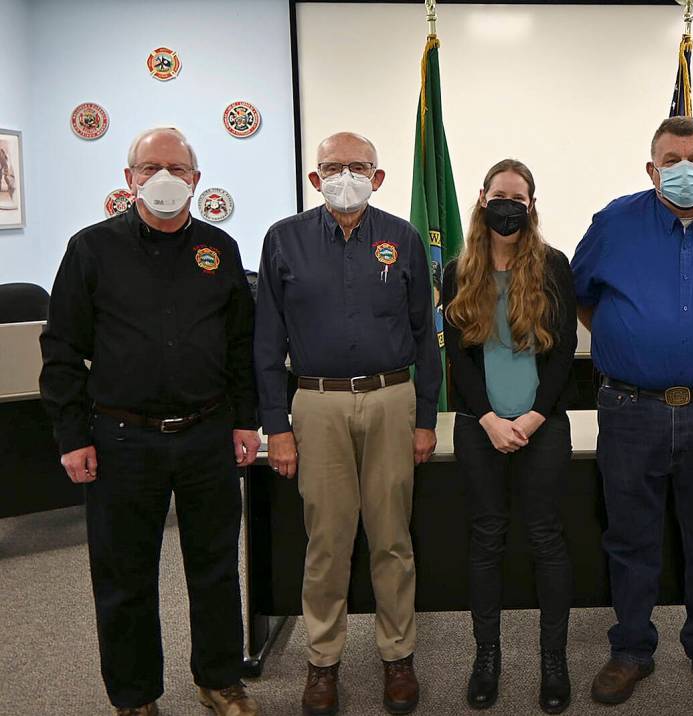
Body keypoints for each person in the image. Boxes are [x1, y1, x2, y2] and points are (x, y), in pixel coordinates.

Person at [39, 127, 261, 716]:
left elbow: (240, 343)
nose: (164, 178)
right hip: (120, 438)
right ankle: (134, 696)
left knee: (215, 567)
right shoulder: (91, 249)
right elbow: (61, 349)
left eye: (177, 168)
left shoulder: (220, 249)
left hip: (207, 432)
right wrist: (71, 436)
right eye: (150, 167)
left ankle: (220, 679)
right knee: (124, 574)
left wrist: (246, 420)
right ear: (129, 178)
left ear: (196, 179)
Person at [571, 116, 693, 712]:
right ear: (652, 168)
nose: (685, 169)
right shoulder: (613, 223)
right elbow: (583, 299)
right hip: (630, 408)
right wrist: (636, 345)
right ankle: (631, 649)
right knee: (630, 537)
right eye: (671, 160)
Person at [254, 132, 441, 716]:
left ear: (377, 177)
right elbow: (267, 341)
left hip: (392, 399)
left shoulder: (403, 238)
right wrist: (276, 426)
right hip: (317, 403)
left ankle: (398, 656)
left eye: (358, 166)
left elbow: (425, 335)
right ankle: (323, 661)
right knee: (327, 541)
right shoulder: (283, 239)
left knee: (392, 538)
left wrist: (426, 418)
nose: (345, 177)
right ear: (315, 179)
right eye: (333, 167)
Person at [442, 159, 578, 714]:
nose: (508, 206)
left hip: (542, 424)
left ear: (531, 205)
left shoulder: (553, 266)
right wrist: (489, 419)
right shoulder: (457, 271)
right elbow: (458, 356)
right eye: (500, 195)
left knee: (546, 537)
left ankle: (554, 661)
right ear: (482, 199)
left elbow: (565, 350)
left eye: (518, 198)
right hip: (481, 425)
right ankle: (486, 657)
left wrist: (534, 417)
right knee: (486, 537)